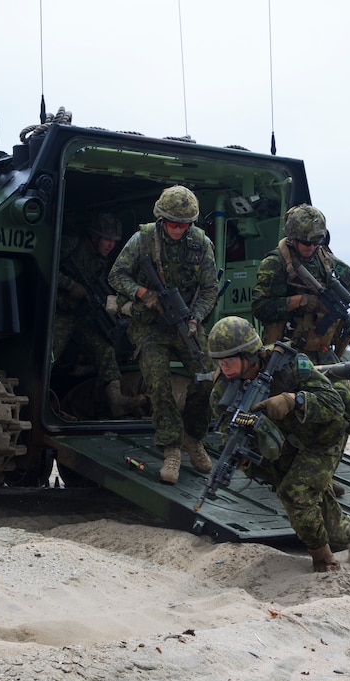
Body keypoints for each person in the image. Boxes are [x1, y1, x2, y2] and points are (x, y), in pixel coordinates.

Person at [206, 316, 350, 572]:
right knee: (332, 529)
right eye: (219, 362)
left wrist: (293, 400)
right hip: (282, 447)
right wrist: (239, 454)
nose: (224, 367)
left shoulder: (290, 364)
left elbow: (334, 404)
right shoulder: (222, 392)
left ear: (249, 355)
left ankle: (323, 561)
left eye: (229, 360)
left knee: (295, 493)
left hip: (321, 438)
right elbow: (227, 431)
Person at [108, 185, 218, 484]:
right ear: (161, 219)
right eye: (173, 224)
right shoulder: (142, 240)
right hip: (149, 325)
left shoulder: (200, 243)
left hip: (187, 323)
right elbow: (116, 275)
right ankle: (171, 449)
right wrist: (144, 294)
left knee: (208, 378)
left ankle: (193, 438)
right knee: (158, 383)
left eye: (185, 225)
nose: (179, 230)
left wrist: (196, 318)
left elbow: (209, 288)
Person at [250, 204, 350, 365]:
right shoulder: (275, 263)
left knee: (341, 390)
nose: (312, 247)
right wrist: (301, 301)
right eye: (306, 243)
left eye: (317, 241)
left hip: (323, 351)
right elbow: (260, 307)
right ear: (293, 238)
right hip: (287, 352)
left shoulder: (325, 259)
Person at [52, 212, 144, 418]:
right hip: (59, 313)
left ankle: (116, 400)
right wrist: (70, 285)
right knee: (49, 354)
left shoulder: (102, 261)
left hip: (80, 316)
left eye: (114, 241)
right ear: (94, 237)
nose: (111, 245)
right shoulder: (72, 245)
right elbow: (46, 264)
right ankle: (37, 398)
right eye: (107, 239)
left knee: (105, 349)